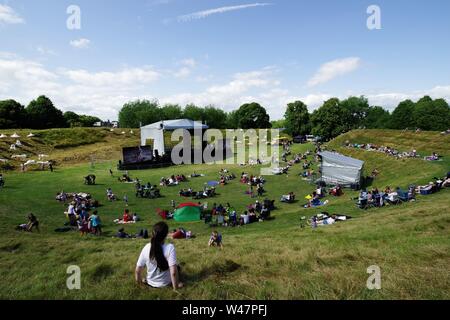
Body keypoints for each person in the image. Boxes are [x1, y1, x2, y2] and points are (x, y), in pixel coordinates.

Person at [135, 222, 183, 290]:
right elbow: (174, 273)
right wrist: (176, 287)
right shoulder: (170, 247)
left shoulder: (146, 247)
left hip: (150, 283)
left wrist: (140, 285)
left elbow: (137, 271)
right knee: (177, 267)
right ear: (166, 235)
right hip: (166, 283)